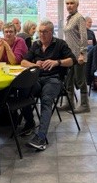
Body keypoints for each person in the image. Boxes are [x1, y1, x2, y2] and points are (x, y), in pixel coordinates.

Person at [21, 20, 75, 151]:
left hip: (54, 79)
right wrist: (34, 65)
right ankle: (30, 122)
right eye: (40, 31)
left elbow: (72, 60)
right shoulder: (36, 44)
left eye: (45, 32)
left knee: (46, 100)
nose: (41, 34)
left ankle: (40, 138)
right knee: (23, 91)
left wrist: (57, 62)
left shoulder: (60, 44)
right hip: (37, 79)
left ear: (51, 32)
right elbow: (23, 62)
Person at [62, 0, 90, 113]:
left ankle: (85, 105)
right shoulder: (69, 18)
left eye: (72, 3)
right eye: (67, 3)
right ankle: (69, 104)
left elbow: (84, 37)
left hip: (79, 55)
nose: (69, 6)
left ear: (77, 5)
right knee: (68, 80)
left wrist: (82, 54)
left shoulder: (79, 18)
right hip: (70, 56)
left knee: (80, 80)